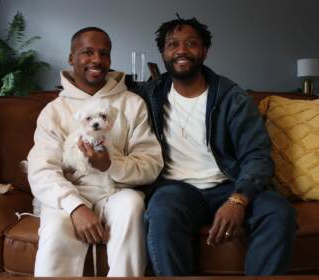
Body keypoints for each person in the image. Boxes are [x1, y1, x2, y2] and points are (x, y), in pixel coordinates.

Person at [134, 17, 297, 276]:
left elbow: (257, 154)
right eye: (172, 44)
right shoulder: (149, 95)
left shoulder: (232, 98)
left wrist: (239, 198)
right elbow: (107, 91)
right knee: (162, 211)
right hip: (176, 190)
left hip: (229, 184)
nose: (181, 50)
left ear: (204, 51)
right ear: (163, 53)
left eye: (191, 43)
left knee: (278, 211)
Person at [27, 27, 163, 277]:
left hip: (117, 191)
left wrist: (109, 165)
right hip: (68, 195)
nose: (97, 60)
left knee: (132, 206)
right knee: (55, 228)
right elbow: (41, 169)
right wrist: (75, 206)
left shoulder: (133, 104)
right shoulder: (54, 110)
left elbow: (151, 163)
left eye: (104, 53)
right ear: (71, 58)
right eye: (87, 52)